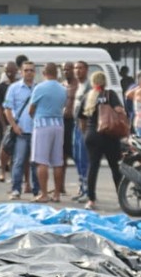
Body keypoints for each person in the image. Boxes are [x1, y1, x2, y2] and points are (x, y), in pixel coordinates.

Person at [77, 70, 125, 211]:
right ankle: (121, 199)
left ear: (93, 82)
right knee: (115, 167)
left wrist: (85, 132)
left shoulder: (88, 96)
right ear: (105, 82)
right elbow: (120, 110)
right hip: (109, 134)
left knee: (93, 167)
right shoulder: (110, 94)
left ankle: (91, 200)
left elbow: (81, 117)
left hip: (92, 135)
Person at [29, 62, 67, 203]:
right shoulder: (63, 89)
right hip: (58, 125)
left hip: (42, 125)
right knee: (57, 162)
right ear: (56, 74)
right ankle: (56, 194)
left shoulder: (39, 88)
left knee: (41, 161)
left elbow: (31, 109)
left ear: (44, 73)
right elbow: (63, 106)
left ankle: (44, 194)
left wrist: (35, 117)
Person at [4, 61, 39, 200]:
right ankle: (16, 189)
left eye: (31, 70)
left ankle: (37, 191)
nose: (29, 73)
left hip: (36, 131)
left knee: (35, 163)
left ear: (35, 72)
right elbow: (7, 109)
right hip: (21, 132)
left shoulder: (38, 88)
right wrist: (14, 126)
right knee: (18, 162)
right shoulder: (14, 88)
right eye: (26, 70)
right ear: (21, 72)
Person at [70, 60, 91, 201]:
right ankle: (82, 188)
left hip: (85, 126)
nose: (77, 71)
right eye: (76, 68)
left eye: (80, 68)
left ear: (86, 70)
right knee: (77, 158)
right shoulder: (79, 86)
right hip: (76, 125)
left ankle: (88, 191)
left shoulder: (89, 86)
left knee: (84, 159)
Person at [0, 61, 19, 183]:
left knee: (18, 148)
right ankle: (2, 172)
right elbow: (0, 108)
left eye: (11, 70)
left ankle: (16, 174)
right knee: (4, 147)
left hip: (18, 121)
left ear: (16, 71)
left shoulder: (20, 86)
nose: (9, 73)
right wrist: (4, 125)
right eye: (6, 70)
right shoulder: (1, 87)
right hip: (6, 121)